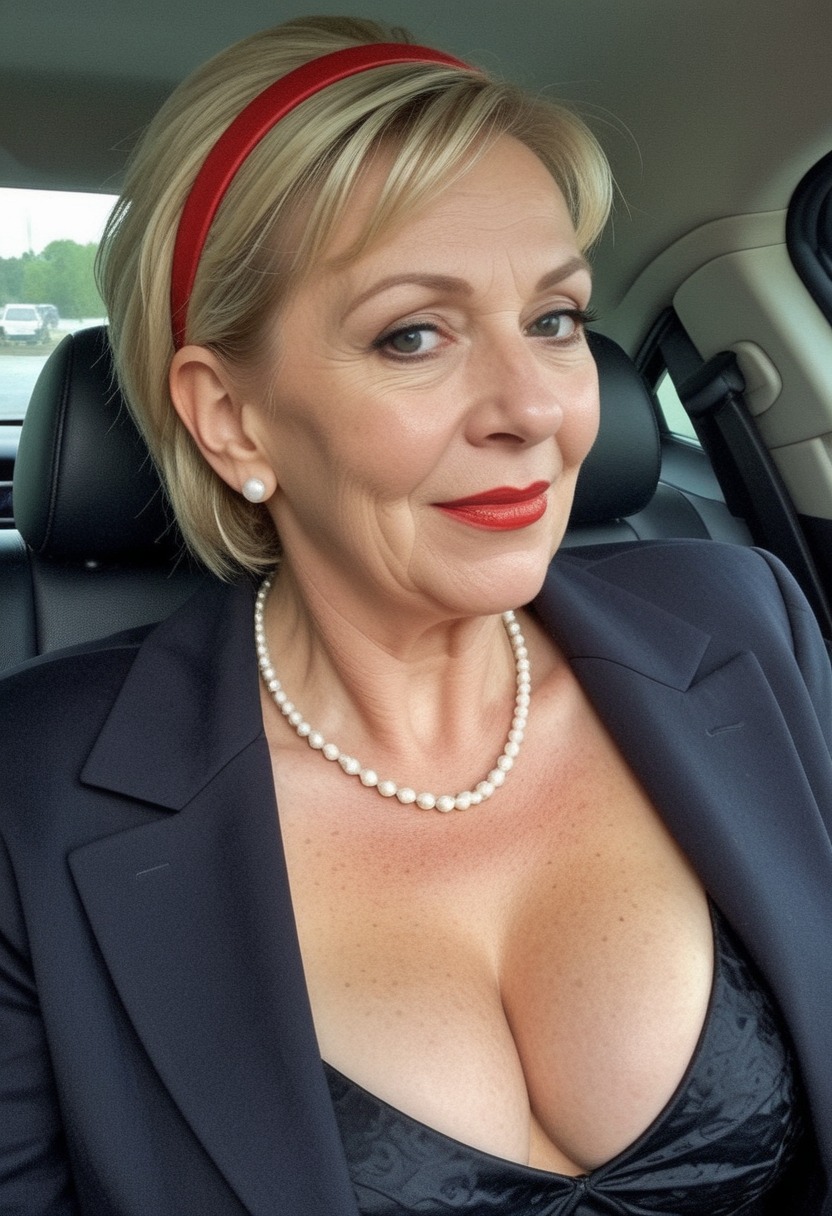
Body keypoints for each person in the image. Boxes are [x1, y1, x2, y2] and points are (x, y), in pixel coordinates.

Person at [1, 14, 830, 1216]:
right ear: (231, 418)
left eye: (553, 319)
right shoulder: (30, 793)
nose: (532, 407)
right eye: (413, 334)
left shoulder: (745, 623)